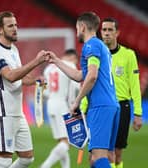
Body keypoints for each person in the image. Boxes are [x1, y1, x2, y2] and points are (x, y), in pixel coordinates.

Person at [46, 12, 120, 168]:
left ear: (82, 27)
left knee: (99, 158)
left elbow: (92, 76)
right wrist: (57, 61)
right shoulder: (101, 47)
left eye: (77, 28)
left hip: (100, 106)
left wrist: (77, 101)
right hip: (112, 105)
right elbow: (81, 75)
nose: (77, 32)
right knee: (100, 157)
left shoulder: (91, 45)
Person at [0, 11, 48, 168]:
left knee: (27, 158)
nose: (15, 28)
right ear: (0, 29)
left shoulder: (13, 50)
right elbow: (11, 76)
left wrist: (34, 80)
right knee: (4, 161)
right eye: (10, 26)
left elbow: (20, 75)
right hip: (3, 113)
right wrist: (36, 61)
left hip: (18, 113)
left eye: (16, 25)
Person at [100, 17, 142, 168]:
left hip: (122, 106)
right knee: (99, 152)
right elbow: (90, 81)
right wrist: (84, 106)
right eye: (104, 30)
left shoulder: (128, 55)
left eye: (110, 30)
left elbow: (135, 84)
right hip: (101, 106)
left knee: (117, 154)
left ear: (117, 33)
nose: (106, 33)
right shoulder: (96, 54)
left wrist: (138, 113)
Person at [40, 49, 80, 168]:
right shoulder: (70, 65)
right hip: (63, 105)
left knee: (61, 140)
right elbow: (76, 88)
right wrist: (75, 107)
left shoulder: (48, 68)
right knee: (67, 143)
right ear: (73, 58)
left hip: (50, 104)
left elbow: (45, 92)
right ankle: (45, 166)